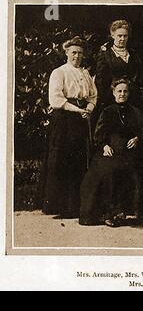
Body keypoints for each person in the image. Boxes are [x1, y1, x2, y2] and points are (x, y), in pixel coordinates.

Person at [42, 36, 97, 218]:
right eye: (73, 52)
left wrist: (88, 109)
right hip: (64, 119)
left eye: (80, 53)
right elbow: (56, 99)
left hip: (81, 120)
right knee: (62, 160)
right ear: (66, 53)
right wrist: (78, 109)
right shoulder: (59, 72)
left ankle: (76, 205)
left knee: (79, 160)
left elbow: (93, 95)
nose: (77, 56)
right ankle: (60, 206)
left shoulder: (85, 73)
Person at [79, 79, 143, 227]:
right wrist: (104, 146)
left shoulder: (135, 112)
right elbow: (99, 134)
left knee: (129, 169)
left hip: (129, 151)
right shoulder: (107, 111)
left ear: (129, 93)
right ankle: (108, 213)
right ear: (114, 93)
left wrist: (137, 139)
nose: (122, 94)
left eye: (125, 91)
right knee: (107, 171)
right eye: (119, 91)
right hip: (110, 149)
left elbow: (142, 131)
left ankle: (124, 211)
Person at [95, 20, 141, 120]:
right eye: (119, 36)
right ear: (112, 35)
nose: (122, 39)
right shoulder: (105, 55)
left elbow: (137, 75)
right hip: (111, 97)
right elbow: (101, 79)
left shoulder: (133, 54)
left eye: (125, 36)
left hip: (131, 95)